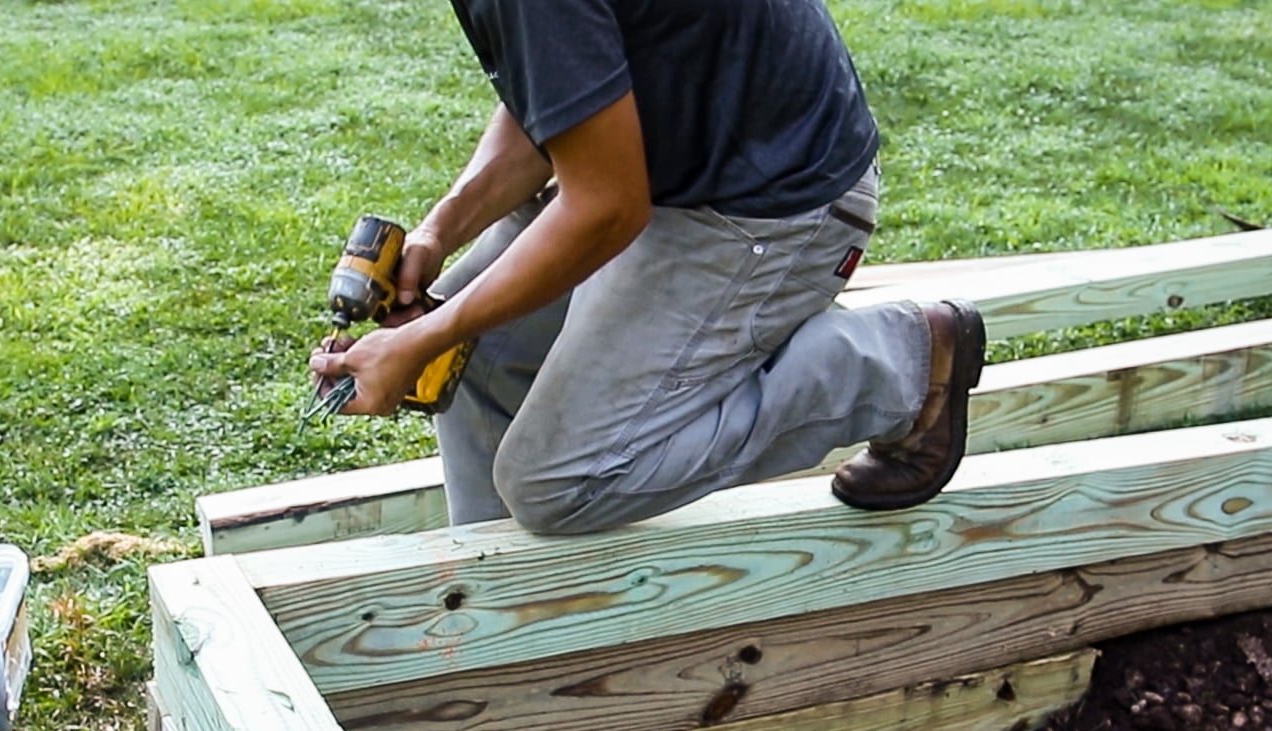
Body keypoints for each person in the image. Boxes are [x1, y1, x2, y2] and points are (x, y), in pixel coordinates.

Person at [307, 0, 987, 535]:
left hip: (777, 206)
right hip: (680, 167)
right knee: (478, 353)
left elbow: (607, 209)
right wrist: (439, 230)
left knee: (557, 482)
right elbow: (566, 83)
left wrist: (417, 340)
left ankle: (899, 362)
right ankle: (508, 612)